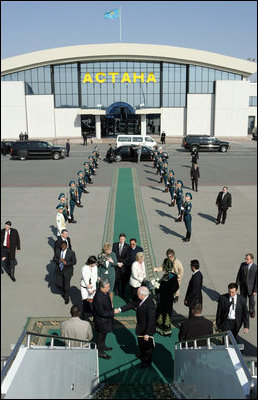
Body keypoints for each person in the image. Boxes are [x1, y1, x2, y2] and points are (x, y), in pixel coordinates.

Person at [115, 286, 156, 369]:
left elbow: (151, 320)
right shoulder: (141, 300)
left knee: (147, 348)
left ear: (142, 295)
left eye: (138, 294)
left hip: (146, 330)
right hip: (141, 327)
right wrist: (119, 309)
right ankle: (142, 355)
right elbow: (131, 304)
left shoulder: (150, 304)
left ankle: (147, 362)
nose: (136, 295)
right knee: (141, 344)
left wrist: (147, 333)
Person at [92, 279, 115, 359]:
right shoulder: (98, 298)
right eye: (107, 287)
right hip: (101, 322)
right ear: (101, 287)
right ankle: (100, 352)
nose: (109, 288)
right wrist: (113, 312)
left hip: (104, 321)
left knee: (104, 335)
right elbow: (101, 313)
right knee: (100, 337)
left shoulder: (104, 293)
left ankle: (103, 346)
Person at [236, 254, 257, 318]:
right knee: (243, 299)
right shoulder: (243, 265)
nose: (245, 260)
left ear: (251, 260)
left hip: (251, 288)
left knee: (251, 301)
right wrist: (236, 285)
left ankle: (251, 310)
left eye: (247, 259)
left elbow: (256, 280)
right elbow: (239, 274)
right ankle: (243, 310)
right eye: (245, 258)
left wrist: (255, 290)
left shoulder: (255, 267)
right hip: (243, 287)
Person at [112, 233, 131, 298]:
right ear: (119, 238)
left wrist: (122, 263)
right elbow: (113, 255)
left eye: (123, 239)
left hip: (123, 266)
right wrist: (117, 263)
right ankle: (116, 291)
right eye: (120, 239)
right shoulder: (114, 245)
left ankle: (122, 292)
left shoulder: (128, 246)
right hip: (116, 265)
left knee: (123, 280)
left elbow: (128, 257)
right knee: (116, 279)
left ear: (125, 239)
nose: (121, 240)